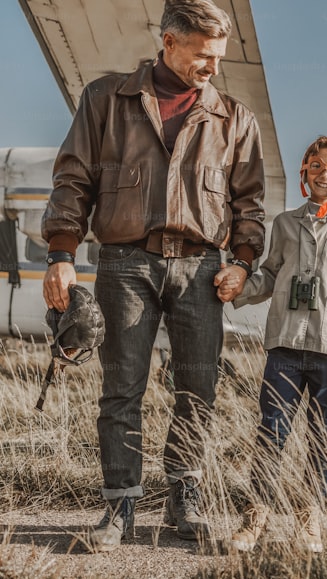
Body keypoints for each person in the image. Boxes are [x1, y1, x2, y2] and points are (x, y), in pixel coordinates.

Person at [41, 0, 266, 551]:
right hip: (124, 263)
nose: (213, 66)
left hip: (202, 269)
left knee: (199, 390)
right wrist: (62, 252)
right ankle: (119, 508)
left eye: (219, 56)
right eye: (202, 54)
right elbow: (73, 181)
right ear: (168, 41)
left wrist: (241, 261)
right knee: (121, 389)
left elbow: (250, 204)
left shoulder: (236, 119)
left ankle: (182, 505)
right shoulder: (104, 99)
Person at [219, 136, 327, 553]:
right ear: (304, 170)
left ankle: (310, 520)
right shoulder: (285, 224)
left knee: (322, 436)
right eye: (318, 166)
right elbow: (270, 274)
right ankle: (256, 518)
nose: (326, 174)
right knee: (271, 432)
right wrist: (238, 289)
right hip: (284, 346)